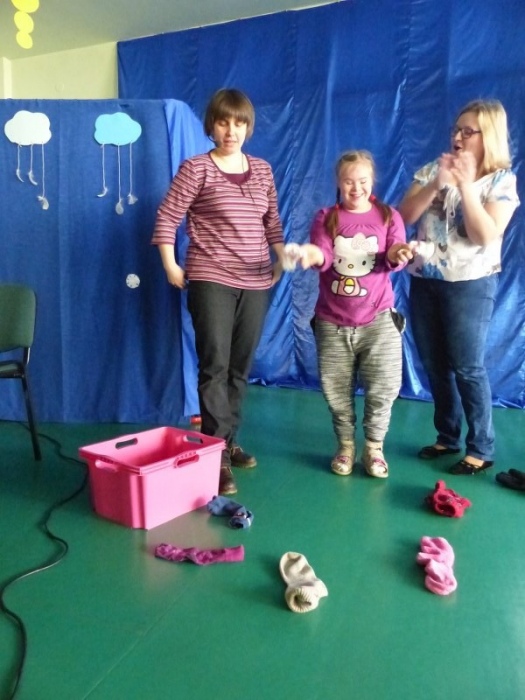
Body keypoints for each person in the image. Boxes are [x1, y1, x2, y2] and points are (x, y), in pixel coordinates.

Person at [151, 88, 285, 496]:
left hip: (257, 281)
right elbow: (167, 217)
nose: (231, 131)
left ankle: (229, 441)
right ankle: (216, 455)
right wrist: (171, 264)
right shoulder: (197, 169)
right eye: (224, 122)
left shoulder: (262, 170)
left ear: (248, 127)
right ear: (212, 125)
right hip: (211, 278)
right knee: (215, 367)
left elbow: (272, 222)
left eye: (239, 123)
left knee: (240, 369)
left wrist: (281, 259)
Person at [398, 99, 520, 475]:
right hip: (425, 281)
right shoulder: (432, 170)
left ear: (489, 136)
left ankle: (481, 447)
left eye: (469, 131)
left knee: (467, 366)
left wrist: (465, 186)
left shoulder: (501, 180)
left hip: (470, 284)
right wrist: (438, 182)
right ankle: (447, 436)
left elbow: (483, 235)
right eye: (456, 129)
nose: (458, 136)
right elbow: (403, 216)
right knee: (435, 365)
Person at [283, 150, 414, 478]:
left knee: (384, 386)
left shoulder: (388, 216)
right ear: (338, 183)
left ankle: (374, 448)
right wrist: (309, 254)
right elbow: (324, 253)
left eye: (362, 181)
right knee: (336, 390)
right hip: (332, 321)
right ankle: (345, 446)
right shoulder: (326, 217)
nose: (356, 188)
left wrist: (400, 252)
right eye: (348, 181)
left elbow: (393, 252)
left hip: (379, 318)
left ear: (373, 181)